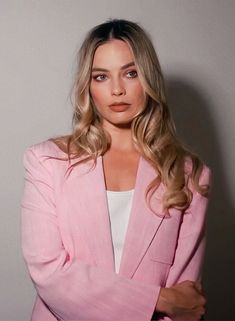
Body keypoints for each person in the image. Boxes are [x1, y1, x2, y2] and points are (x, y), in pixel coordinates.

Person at [21, 19, 211, 321]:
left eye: (131, 73)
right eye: (101, 77)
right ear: (88, 85)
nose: (117, 89)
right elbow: (49, 273)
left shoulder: (189, 175)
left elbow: (186, 302)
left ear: (148, 78)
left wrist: (171, 304)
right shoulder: (47, 162)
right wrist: (157, 300)